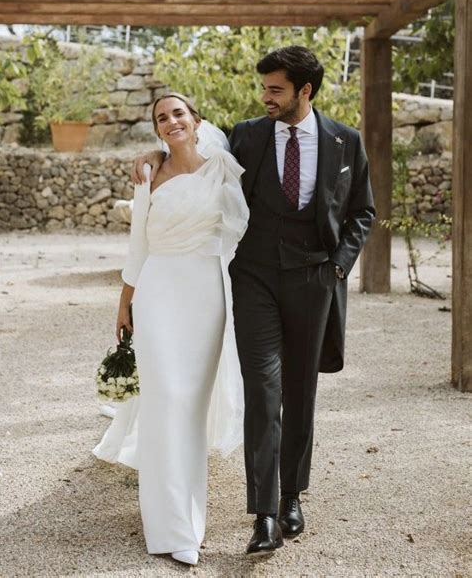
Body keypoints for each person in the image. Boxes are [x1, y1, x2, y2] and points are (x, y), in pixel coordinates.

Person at [132, 45, 375, 558]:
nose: (265, 96)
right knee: (262, 392)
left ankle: (292, 497)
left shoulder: (345, 142)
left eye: (275, 89)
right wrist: (155, 156)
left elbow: (362, 213)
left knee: (299, 391)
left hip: (315, 278)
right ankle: (264, 515)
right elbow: (191, 152)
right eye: (263, 87)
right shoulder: (245, 136)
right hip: (256, 279)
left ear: (304, 92)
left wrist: (336, 269)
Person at [94, 93, 249, 566]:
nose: (171, 120)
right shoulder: (148, 174)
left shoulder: (223, 166)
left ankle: (190, 518)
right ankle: (167, 528)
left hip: (206, 293)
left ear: (196, 120)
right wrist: (125, 303)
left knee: (191, 407)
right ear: (157, 130)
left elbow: (244, 229)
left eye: (178, 112)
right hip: (158, 291)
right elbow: (137, 243)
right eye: (162, 117)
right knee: (164, 404)